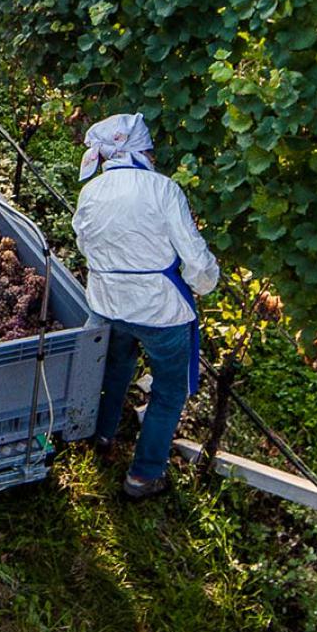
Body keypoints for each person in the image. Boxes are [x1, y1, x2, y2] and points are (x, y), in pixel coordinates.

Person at [71, 112, 219, 500]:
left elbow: (84, 246)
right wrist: (202, 285)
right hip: (159, 312)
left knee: (114, 370)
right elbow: (197, 260)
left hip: (106, 304)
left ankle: (101, 435)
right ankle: (143, 475)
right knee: (169, 392)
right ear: (143, 150)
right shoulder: (163, 190)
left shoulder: (91, 192)